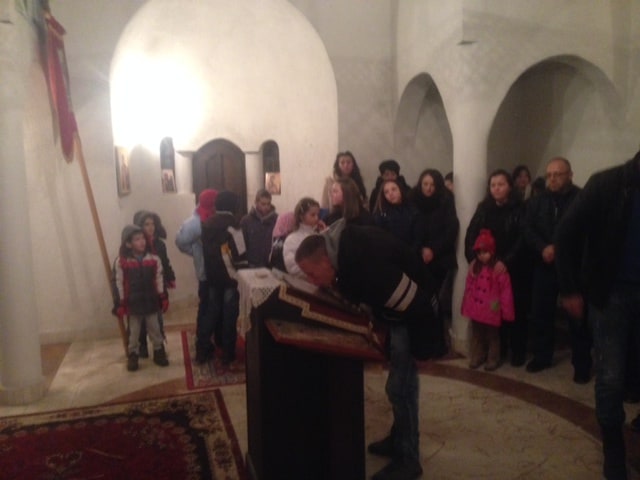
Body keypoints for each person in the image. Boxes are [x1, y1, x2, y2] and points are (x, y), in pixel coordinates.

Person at [295, 220, 440, 480]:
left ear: (325, 260)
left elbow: (416, 304)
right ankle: (398, 439)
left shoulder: (367, 263)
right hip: (398, 309)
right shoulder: (342, 253)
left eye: (312, 274)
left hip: (415, 311)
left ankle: (408, 459)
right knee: (398, 385)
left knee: (401, 387)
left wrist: (423, 349)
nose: (311, 281)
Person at [555, 149, 640, 480]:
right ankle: (614, 451)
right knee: (610, 377)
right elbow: (566, 233)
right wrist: (570, 289)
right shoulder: (607, 184)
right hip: (611, 294)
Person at [522, 157, 592, 381]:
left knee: (577, 317)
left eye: (558, 174)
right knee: (541, 313)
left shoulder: (582, 199)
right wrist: (542, 248)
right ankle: (542, 356)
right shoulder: (537, 201)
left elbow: (586, 231)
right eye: (549, 175)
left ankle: (581, 363)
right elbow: (527, 228)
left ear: (570, 175)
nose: (552, 179)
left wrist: (558, 249)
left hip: (572, 267)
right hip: (545, 265)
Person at [464, 169, 530, 367]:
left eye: (501, 184)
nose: (496, 188)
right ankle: (492, 352)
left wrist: (506, 261)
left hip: (512, 266)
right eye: (493, 185)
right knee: (489, 311)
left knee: (514, 308)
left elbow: (523, 238)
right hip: (486, 265)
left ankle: (517, 350)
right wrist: (473, 258)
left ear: (509, 186)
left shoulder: (520, 208)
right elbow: (471, 233)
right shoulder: (484, 208)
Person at [409, 168, 459, 355]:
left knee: (434, 301)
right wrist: (420, 249)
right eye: (425, 184)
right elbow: (410, 227)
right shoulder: (413, 200)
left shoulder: (445, 201)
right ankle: (420, 344)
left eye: (432, 185)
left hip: (439, 258)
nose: (428, 188)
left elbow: (451, 229)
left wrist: (433, 250)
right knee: (419, 301)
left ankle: (436, 344)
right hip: (418, 256)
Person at [112, 225, 169, 372]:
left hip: (151, 301)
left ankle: (158, 351)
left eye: (143, 238)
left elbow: (159, 279)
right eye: (137, 239)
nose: (142, 241)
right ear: (128, 243)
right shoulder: (122, 262)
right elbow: (118, 283)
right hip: (133, 304)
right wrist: (120, 303)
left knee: (155, 328)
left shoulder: (154, 259)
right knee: (134, 332)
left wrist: (163, 296)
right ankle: (133, 354)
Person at [201, 191, 245, 366]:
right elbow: (239, 252)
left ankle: (202, 349)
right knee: (229, 315)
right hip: (229, 276)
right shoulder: (233, 225)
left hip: (212, 275)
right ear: (234, 206)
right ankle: (228, 352)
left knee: (211, 312)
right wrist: (243, 270)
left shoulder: (207, 223)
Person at [461, 229, 515, 371]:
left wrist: (507, 312)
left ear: (492, 251)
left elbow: (506, 292)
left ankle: (493, 358)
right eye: (479, 253)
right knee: (477, 335)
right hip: (477, 309)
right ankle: (478, 356)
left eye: (485, 252)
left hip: (491, 309)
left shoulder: (498, 268)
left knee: (493, 337)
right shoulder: (474, 267)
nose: (482, 256)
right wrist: (467, 304)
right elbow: (469, 287)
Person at [175, 188, 218, 364]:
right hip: (206, 273)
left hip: (219, 272)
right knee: (208, 309)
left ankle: (209, 342)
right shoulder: (194, 222)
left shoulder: (218, 217)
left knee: (212, 308)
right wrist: (196, 253)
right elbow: (181, 241)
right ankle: (202, 346)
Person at [133, 210, 176, 358]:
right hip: (141, 286)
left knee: (157, 317)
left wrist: (170, 277)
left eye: (152, 224)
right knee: (141, 319)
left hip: (157, 284)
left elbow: (164, 262)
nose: (150, 227)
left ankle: (159, 345)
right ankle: (142, 345)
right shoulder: (136, 245)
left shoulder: (159, 244)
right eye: (146, 224)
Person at [372, 178, 422, 250]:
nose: (390, 193)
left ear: (400, 190)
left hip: (411, 251)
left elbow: (418, 237)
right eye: (386, 192)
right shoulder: (380, 214)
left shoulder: (412, 209)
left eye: (394, 189)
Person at [282, 197, 325, 277]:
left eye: (317, 215)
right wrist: (314, 272)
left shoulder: (318, 235)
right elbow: (292, 267)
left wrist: (325, 235)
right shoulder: (292, 239)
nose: (316, 218)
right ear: (302, 216)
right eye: (312, 215)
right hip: (302, 282)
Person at [240, 188, 278, 268]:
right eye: (263, 204)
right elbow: (242, 244)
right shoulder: (246, 221)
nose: (266, 207)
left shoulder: (276, 219)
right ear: (256, 202)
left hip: (271, 263)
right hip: (253, 263)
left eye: (268, 204)